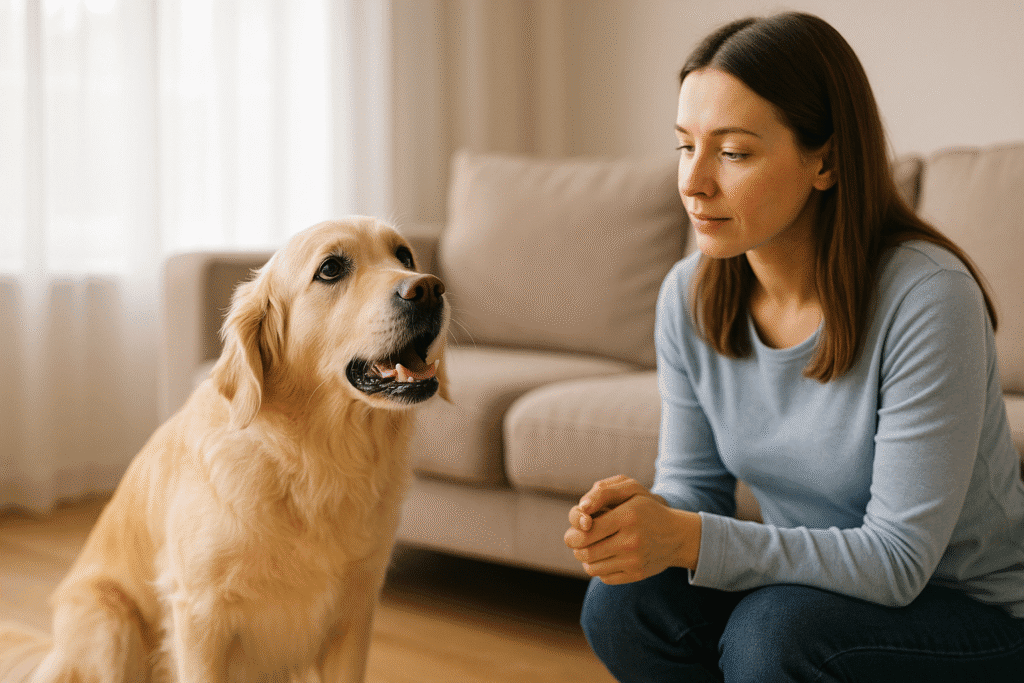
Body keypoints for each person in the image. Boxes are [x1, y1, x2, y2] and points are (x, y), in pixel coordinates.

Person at [563, 12, 1024, 682]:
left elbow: (897, 560)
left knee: (773, 633)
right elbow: (697, 489)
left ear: (827, 160)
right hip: (813, 594)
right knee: (624, 601)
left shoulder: (928, 297)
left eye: (733, 152)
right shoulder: (688, 293)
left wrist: (686, 538)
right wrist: (646, 520)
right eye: (685, 146)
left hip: (968, 614)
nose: (694, 183)